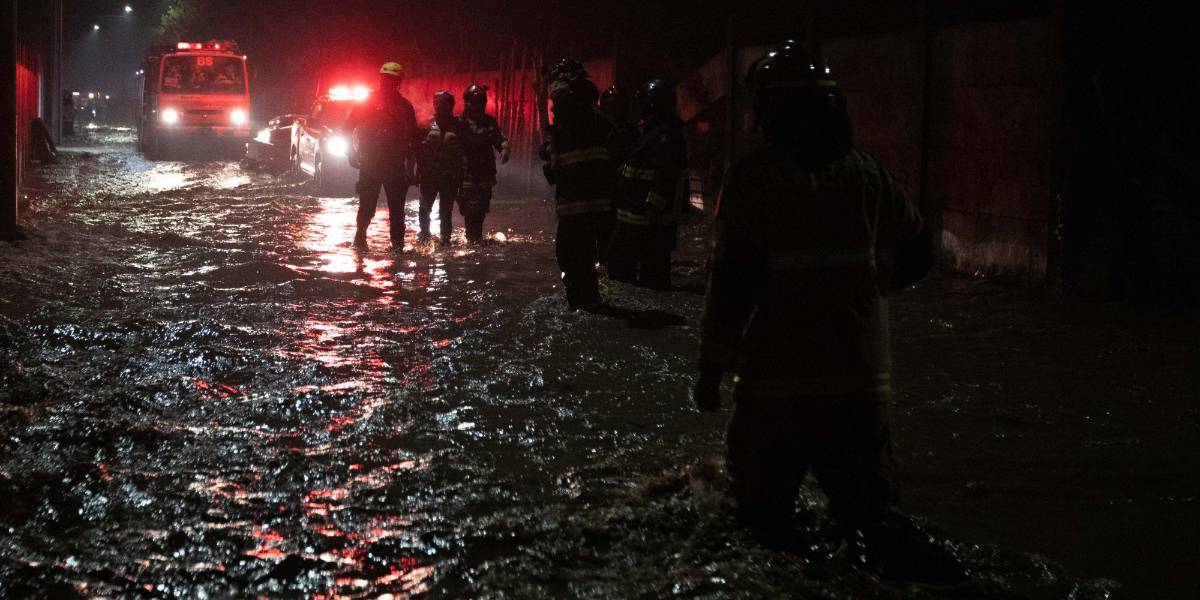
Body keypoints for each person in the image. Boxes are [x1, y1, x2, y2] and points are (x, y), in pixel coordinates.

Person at [692, 41, 951, 580]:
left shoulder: (753, 180)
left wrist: (710, 368)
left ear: (771, 109)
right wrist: (873, 289)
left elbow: (730, 284)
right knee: (872, 522)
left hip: (776, 387)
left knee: (760, 529)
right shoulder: (867, 174)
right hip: (860, 385)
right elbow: (921, 252)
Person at [540, 61, 613, 310]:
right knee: (581, 257)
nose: (553, 106)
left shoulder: (573, 110)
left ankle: (585, 307)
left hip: (578, 201)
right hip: (587, 200)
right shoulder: (587, 115)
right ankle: (588, 302)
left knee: (571, 255)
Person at [607, 78, 686, 290]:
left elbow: (665, 176)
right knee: (624, 276)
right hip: (635, 219)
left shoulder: (666, 137)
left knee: (647, 280)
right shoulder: (653, 134)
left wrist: (652, 207)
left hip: (649, 222)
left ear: (651, 105)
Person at [344, 61, 419, 250]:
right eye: (384, 79)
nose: (386, 83)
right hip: (371, 163)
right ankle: (360, 239)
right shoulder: (367, 103)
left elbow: (413, 140)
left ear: (398, 82)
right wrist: (351, 152)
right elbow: (347, 128)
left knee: (397, 209)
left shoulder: (404, 107)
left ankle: (397, 246)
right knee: (367, 206)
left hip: (395, 165)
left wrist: (411, 169)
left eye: (391, 80)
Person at [458, 84, 510, 243]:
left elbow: (498, 139)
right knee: (468, 208)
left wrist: (504, 148)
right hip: (465, 172)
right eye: (473, 100)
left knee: (480, 209)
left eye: (478, 100)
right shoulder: (460, 122)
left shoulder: (489, 121)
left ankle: (475, 240)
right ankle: (472, 239)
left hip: (485, 173)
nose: (476, 104)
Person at [417, 90, 465, 243]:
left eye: (443, 104)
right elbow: (415, 148)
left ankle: (445, 239)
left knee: (445, 210)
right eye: (437, 103)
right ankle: (425, 236)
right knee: (425, 207)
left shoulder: (459, 125)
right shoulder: (426, 124)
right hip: (429, 173)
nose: (440, 107)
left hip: (449, 174)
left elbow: (466, 149)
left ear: (450, 106)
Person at [596, 84, 636, 263]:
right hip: (606, 190)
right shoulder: (600, 130)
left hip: (623, 192)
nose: (614, 110)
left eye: (617, 106)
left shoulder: (630, 132)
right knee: (604, 234)